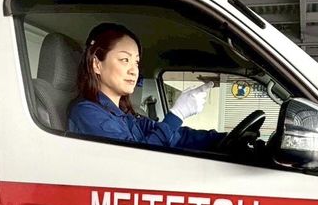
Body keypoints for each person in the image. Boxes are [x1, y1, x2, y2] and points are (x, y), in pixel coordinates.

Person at [68, 23, 224, 150]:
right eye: (124, 60)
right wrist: (178, 113)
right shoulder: (86, 112)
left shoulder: (125, 115)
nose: (134, 70)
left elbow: (174, 136)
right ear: (97, 64)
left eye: (136, 62)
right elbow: (136, 159)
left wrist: (224, 140)